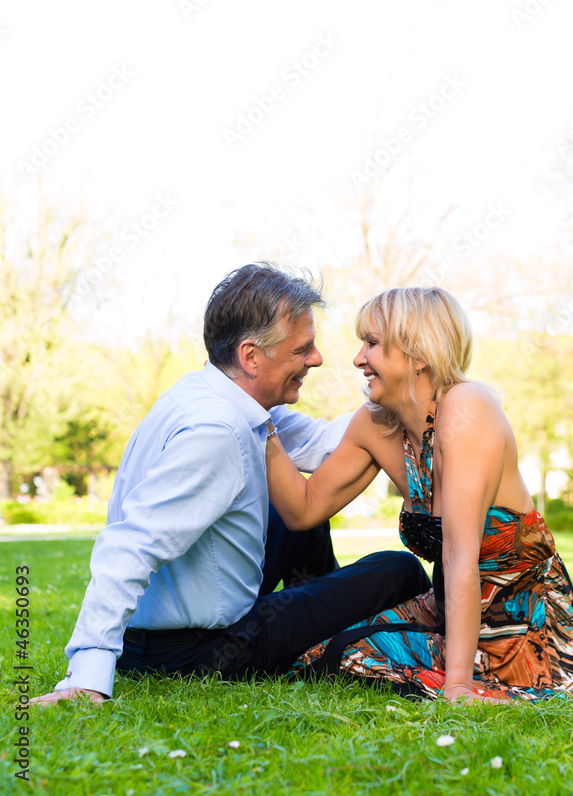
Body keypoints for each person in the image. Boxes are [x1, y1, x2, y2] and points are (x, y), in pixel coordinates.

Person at [32, 264, 429, 706]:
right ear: (251, 356)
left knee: (294, 516)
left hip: (175, 631)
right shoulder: (216, 430)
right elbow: (130, 545)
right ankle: (321, 629)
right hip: (196, 652)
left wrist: (402, 392)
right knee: (400, 569)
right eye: (303, 348)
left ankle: (322, 626)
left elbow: (325, 444)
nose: (316, 359)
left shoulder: (218, 396)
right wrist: (87, 675)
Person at [265, 285, 573, 702]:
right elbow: (303, 510)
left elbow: (459, 556)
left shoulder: (468, 408)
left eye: (372, 343)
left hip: (522, 629)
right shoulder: (376, 425)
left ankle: (469, 676)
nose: (358, 358)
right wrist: (260, 415)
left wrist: (458, 685)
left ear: (418, 354)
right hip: (447, 611)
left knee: (345, 659)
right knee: (318, 654)